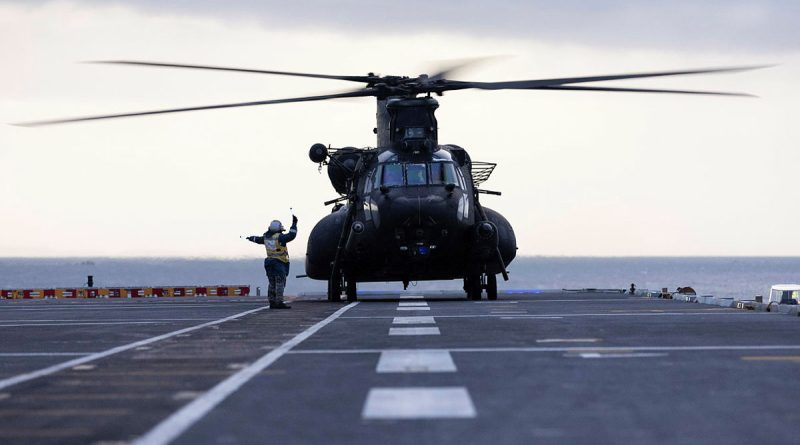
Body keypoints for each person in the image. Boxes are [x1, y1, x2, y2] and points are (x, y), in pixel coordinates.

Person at [246, 215, 298, 309]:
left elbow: (257, 239)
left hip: (269, 263)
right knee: (280, 283)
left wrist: (250, 238)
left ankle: (272, 302)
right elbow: (292, 235)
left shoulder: (266, 237)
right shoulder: (280, 237)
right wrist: (294, 224)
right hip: (279, 263)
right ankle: (279, 302)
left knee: (271, 283)